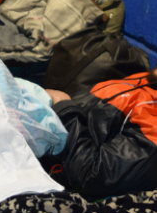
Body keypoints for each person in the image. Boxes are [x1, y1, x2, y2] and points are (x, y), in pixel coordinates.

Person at [43, 66, 157, 200]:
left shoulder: (152, 129)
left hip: (53, 185)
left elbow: (92, 176)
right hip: (41, 143)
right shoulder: (147, 79)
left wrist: (65, 109)